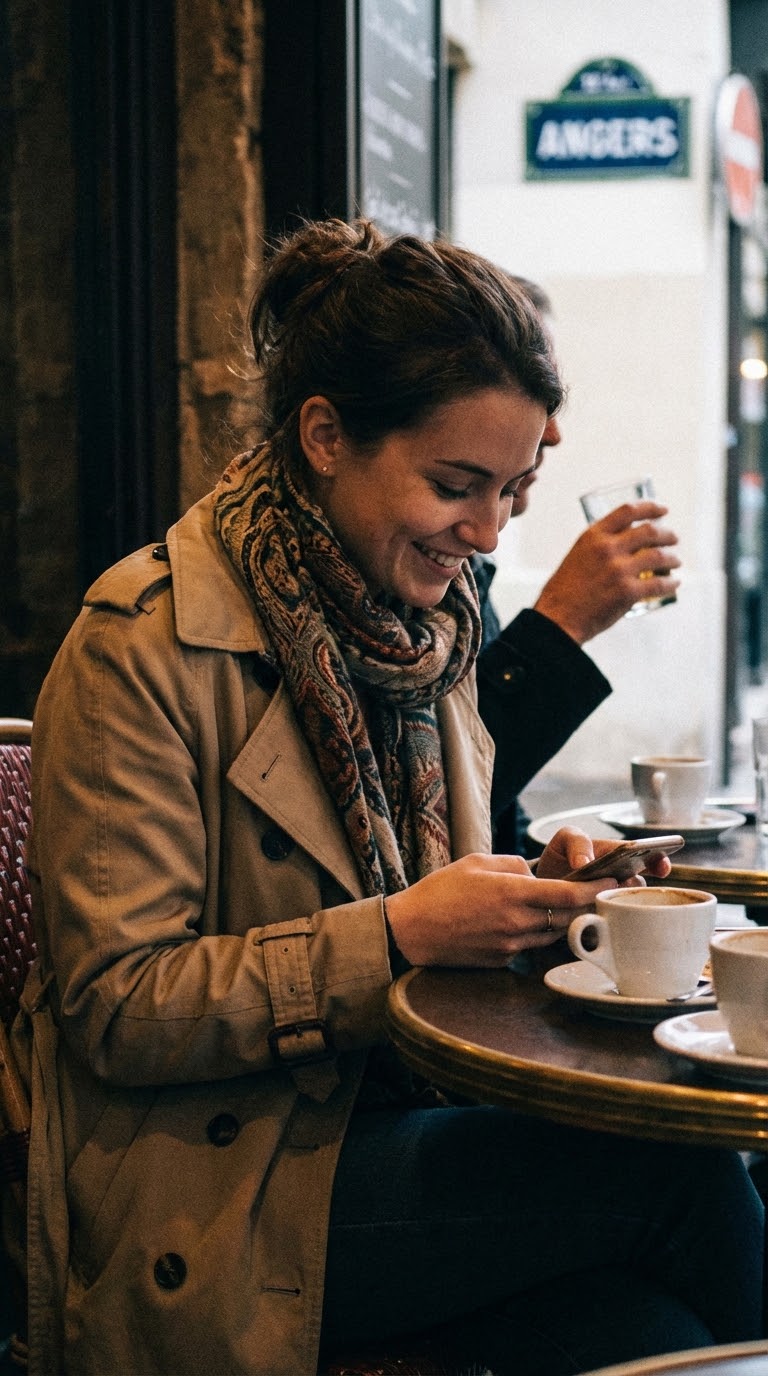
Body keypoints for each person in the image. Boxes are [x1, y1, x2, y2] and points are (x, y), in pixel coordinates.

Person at [15, 218, 761, 1376]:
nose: (490, 532)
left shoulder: (432, 633)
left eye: (515, 490)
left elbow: (459, 870)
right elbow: (117, 1004)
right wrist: (403, 933)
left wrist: (543, 883)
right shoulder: (144, 644)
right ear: (325, 435)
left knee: (653, 1333)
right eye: (458, 485)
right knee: (680, 1176)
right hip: (216, 1184)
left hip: (385, 1119)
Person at [475, 278, 682, 852]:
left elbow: (477, 818)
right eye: (534, 390)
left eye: (554, 393)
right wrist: (560, 624)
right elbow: (429, 803)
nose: (555, 433)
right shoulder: (421, 560)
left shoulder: (461, 566)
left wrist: (543, 877)